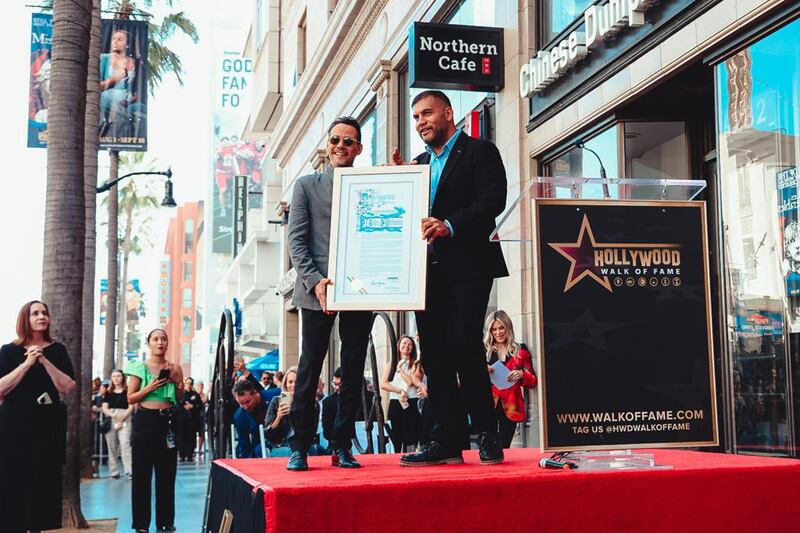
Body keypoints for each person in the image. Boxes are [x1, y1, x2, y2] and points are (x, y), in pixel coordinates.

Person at [392, 90, 508, 467]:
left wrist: (451, 225)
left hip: (469, 266)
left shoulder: (480, 151)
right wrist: (398, 183)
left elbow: (494, 200)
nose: (421, 122)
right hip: (426, 273)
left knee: (464, 345)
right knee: (436, 356)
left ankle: (487, 435)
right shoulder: (419, 165)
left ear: (447, 112)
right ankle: (447, 441)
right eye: (415, 118)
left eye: (427, 113)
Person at [286, 116, 374, 471]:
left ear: (358, 149)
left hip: (359, 289)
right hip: (316, 291)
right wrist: (315, 280)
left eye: (348, 142)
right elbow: (297, 241)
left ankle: (341, 446)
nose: (340, 146)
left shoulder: (371, 184)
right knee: (309, 368)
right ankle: (299, 447)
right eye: (335, 139)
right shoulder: (306, 185)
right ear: (327, 144)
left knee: (352, 368)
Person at [0, 300, 76, 532]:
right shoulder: (8, 351)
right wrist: (28, 363)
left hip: (48, 424)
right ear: (26, 318)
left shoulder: (57, 350)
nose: (42, 317)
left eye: (44, 313)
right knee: (15, 480)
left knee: (45, 480)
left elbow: (67, 386)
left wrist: (43, 360)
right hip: (15, 425)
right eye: (35, 313)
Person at [125, 328, 184, 533]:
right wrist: (151, 386)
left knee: (167, 475)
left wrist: (177, 381)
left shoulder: (175, 367)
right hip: (144, 421)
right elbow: (130, 398)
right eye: (155, 339)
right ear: (148, 343)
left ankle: (166, 521)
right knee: (142, 475)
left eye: (163, 339)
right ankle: (141, 524)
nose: (160, 342)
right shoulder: (139, 367)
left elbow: (180, 397)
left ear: (167, 343)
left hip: (167, 421)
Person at [484, 311, 537, 448]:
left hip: (512, 406)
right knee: (488, 445)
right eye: (494, 329)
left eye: (501, 328)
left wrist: (521, 374)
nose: (498, 332)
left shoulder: (521, 350)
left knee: (504, 446)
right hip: (488, 403)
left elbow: (533, 380)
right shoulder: (484, 351)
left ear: (508, 327)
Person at [264, 367, 325, 457]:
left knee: (313, 451)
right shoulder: (277, 401)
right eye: (290, 382)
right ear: (285, 384)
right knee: (295, 454)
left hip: (303, 444)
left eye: (297, 381)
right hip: (282, 445)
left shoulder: (312, 403)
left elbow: (311, 432)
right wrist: (279, 417)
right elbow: (268, 435)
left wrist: (298, 411)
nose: (293, 385)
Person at [381, 336, 423, 452]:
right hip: (396, 401)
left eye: (410, 344)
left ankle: (410, 457)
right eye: (404, 343)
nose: (407, 346)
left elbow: (410, 382)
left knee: (411, 436)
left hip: (412, 401)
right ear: (399, 346)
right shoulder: (392, 363)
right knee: (395, 436)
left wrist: (401, 370)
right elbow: (383, 384)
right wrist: (399, 390)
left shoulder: (415, 363)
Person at [99, 29, 137, 139]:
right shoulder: (104, 58)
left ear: (128, 44)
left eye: (120, 39)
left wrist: (130, 99)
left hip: (128, 100)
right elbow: (96, 86)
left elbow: (139, 89)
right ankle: (106, 126)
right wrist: (115, 78)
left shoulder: (135, 62)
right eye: (114, 39)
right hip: (106, 98)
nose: (115, 42)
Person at [102, 369, 134, 478]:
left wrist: (123, 416)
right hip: (112, 417)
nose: (116, 378)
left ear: (123, 377)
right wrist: (114, 415)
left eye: (118, 376)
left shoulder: (128, 391)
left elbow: (131, 406)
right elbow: (104, 408)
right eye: (114, 376)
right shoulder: (108, 392)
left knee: (125, 444)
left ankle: (129, 470)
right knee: (111, 446)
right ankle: (114, 471)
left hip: (126, 417)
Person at [232, 379, 271, 458]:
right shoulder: (240, 415)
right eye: (241, 404)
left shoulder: (274, 395)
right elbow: (244, 445)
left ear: (255, 393)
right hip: (260, 448)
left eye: (248, 402)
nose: (245, 407)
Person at [176, 377, 203, 461]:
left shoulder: (195, 394)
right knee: (181, 436)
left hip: (192, 419)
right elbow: (176, 404)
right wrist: (183, 405)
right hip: (182, 418)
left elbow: (200, 405)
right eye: (187, 383)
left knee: (191, 436)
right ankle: (181, 454)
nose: (189, 385)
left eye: (190, 383)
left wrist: (193, 406)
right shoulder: (180, 394)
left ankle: (190, 454)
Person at [320, 367, 342, 450]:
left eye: (340, 384)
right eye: (334, 384)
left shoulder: (368, 399)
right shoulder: (282, 398)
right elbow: (327, 432)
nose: (337, 388)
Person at [196, 381, 209, 454]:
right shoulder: (194, 395)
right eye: (199, 387)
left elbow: (205, 401)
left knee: (201, 433)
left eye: (201, 387)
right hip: (195, 416)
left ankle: (199, 449)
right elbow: (202, 401)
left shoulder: (204, 395)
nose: (200, 389)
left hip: (202, 416)